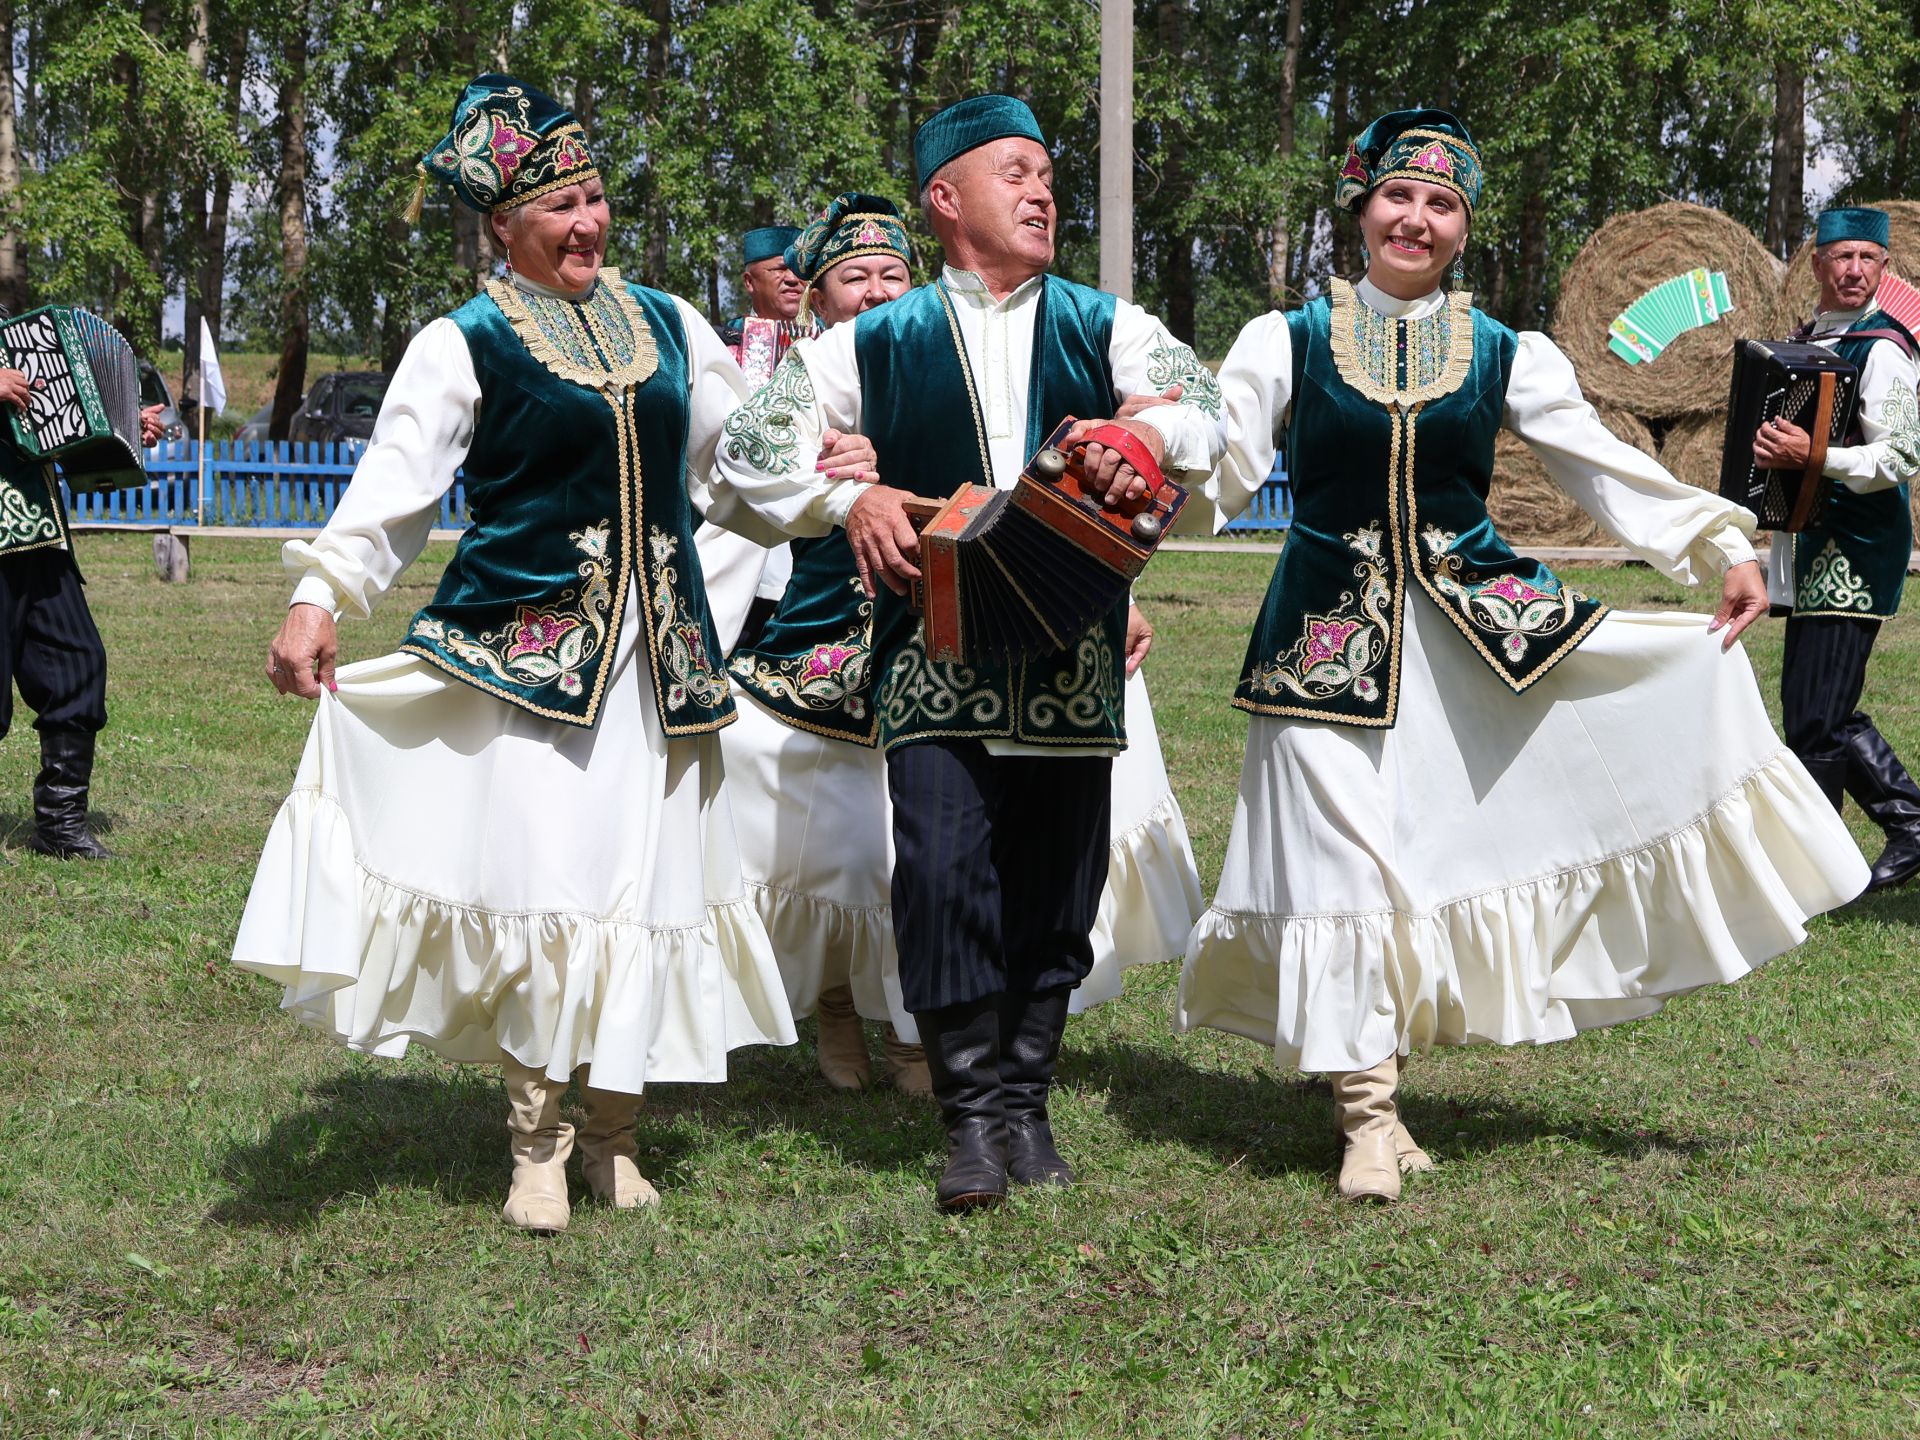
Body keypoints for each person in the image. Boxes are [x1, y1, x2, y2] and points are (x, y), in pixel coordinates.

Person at [1177, 110, 1870, 1204]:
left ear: (1463, 229)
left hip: (1479, 637)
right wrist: (1151, 472)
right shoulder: (1286, 340)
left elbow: (1600, 468)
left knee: (1436, 856)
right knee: (1340, 866)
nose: (1418, 218)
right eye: (1399, 197)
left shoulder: (1506, 352)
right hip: (1322, 647)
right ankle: (1366, 1113)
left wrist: (1719, 541)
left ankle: (1381, 1077)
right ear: (1361, 210)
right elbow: (1216, 467)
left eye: (1442, 204)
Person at [232, 74, 805, 1234]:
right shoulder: (464, 343)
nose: (588, 222)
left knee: (643, 889)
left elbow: (746, 458)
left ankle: (614, 1136)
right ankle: (537, 1142)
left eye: (594, 197)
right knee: (552, 889)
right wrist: (318, 594)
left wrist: (838, 492)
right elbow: (393, 492)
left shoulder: (669, 325)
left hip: (660, 668)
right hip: (531, 658)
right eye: (560, 207)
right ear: (505, 226)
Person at [711, 96, 1223, 1211]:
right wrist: (843, 495)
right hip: (931, 654)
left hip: (1070, 655)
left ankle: (1027, 1104)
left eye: (1048, 174)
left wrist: (1143, 431)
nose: (1043, 191)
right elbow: (744, 454)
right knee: (942, 879)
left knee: (1057, 885)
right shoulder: (867, 342)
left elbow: (1208, 407)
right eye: (1015, 172)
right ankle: (970, 1118)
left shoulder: (1105, 322)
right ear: (946, 200)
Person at [1755, 206, 1920, 893]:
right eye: (1841, 257)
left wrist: (1813, 456)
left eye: (1868, 260)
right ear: (1816, 264)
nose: (1854, 271)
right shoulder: (1808, 340)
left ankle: (1818, 874)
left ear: (1884, 269)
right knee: (1817, 703)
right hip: (1813, 541)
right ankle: (1909, 822)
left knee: (1816, 719)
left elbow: (1904, 454)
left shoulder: (1882, 348)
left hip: (1857, 543)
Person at [0, 360, 162, 860]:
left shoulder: (13, 328)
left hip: (35, 528)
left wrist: (118, 430)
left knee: (77, 663)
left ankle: (58, 825)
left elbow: (56, 418)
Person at [720, 226, 818, 385]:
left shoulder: (832, 337)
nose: (793, 279)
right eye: (780, 269)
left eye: (800, 270)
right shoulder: (725, 343)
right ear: (749, 282)